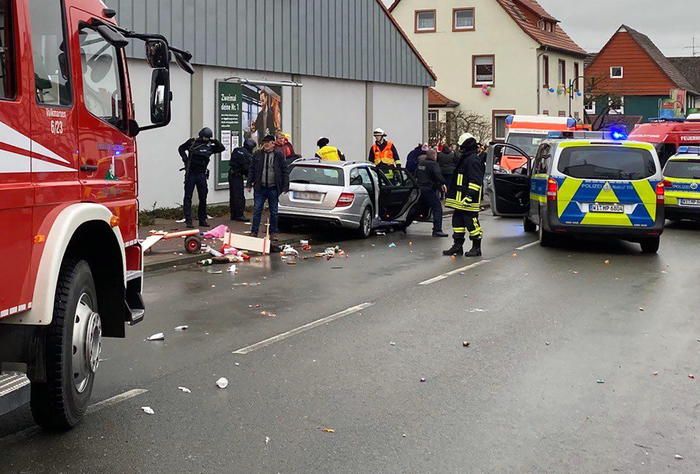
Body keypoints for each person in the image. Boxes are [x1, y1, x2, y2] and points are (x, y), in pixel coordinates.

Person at [443, 132, 485, 257]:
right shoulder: (465, 158)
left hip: (468, 200)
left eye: (461, 146)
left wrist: (469, 196)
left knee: (472, 223)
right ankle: (457, 246)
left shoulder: (473, 160)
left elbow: (475, 181)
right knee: (457, 222)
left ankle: (476, 248)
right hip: (459, 200)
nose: (460, 148)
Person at [178, 127, 226, 228]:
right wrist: (185, 159)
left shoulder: (209, 146)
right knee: (188, 197)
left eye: (208, 138)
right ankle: (188, 220)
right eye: (205, 137)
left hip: (201, 174)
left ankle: (202, 219)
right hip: (191, 173)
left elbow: (221, 148)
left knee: (203, 197)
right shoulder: (192, 142)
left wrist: (215, 141)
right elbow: (181, 148)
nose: (206, 139)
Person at [248, 134, 290, 239]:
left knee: (274, 212)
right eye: (264, 142)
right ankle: (254, 232)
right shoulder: (258, 154)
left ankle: (273, 232)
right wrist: (249, 183)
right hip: (260, 187)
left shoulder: (278, 155)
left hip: (273, 187)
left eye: (268, 142)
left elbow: (284, 170)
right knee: (257, 209)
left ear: (273, 143)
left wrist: (285, 186)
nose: (266, 144)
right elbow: (252, 169)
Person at [408, 148, 448, 237]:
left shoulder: (421, 163)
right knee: (437, 208)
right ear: (434, 155)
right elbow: (438, 175)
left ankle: (404, 224)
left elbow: (415, 174)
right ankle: (437, 230)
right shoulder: (434, 164)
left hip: (420, 189)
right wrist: (443, 183)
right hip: (429, 189)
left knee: (416, 207)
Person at [228, 138, 256, 222]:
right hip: (237, 176)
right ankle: (239, 215)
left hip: (231, 174)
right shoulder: (247, 155)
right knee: (239, 196)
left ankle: (233, 214)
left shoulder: (237, 150)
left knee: (233, 195)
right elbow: (247, 168)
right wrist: (251, 179)